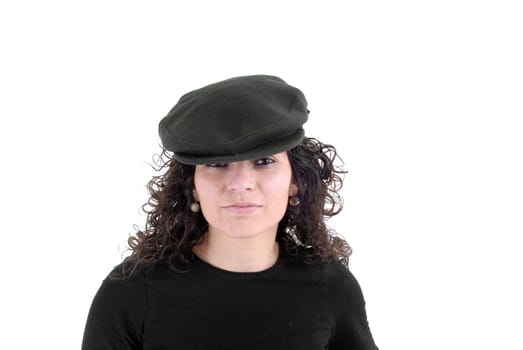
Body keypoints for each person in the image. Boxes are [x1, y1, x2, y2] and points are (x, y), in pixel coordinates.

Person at [81, 75, 379, 350]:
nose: (240, 184)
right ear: (192, 186)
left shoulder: (331, 288)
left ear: (295, 182)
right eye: (216, 164)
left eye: (264, 161)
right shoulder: (130, 295)